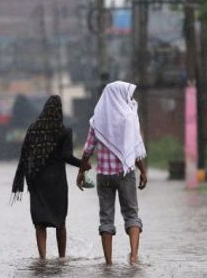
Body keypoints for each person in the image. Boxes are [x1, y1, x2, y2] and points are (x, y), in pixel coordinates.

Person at [76, 81, 148, 265]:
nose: (130, 98)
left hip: (104, 176)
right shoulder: (129, 118)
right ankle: (133, 257)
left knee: (106, 217)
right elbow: (134, 149)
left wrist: (81, 172)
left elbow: (88, 149)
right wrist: (143, 171)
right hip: (126, 173)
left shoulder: (98, 119)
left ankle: (108, 263)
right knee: (132, 215)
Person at [11, 95, 89, 259]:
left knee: (40, 223)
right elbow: (66, 156)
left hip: (37, 182)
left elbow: (25, 155)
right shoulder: (64, 131)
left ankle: (43, 258)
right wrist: (83, 164)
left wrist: (26, 178)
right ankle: (62, 258)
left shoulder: (33, 129)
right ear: (59, 111)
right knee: (60, 222)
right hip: (56, 184)